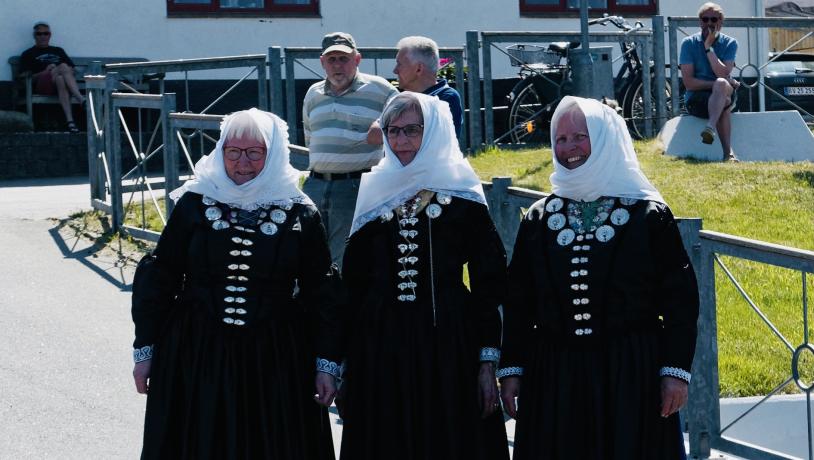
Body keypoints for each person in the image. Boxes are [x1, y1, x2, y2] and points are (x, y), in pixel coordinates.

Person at [131, 108, 343, 459]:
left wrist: (327, 363)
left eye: (254, 152)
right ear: (221, 152)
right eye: (233, 151)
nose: (242, 162)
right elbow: (161, 276)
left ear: (272, 153)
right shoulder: (194, 204)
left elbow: (322, 292)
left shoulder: (299, 213)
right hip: (196, 353)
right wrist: (145, 351)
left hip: (276, 358)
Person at [498, 96, 699, 460]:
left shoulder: (647, 215)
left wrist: (675, 372)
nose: (569, 148)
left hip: (631, 374)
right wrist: (511, 370)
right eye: (561, 139)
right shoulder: (539, 219)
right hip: (556, 375)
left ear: (606, 137)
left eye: (580, 136)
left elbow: (680, 299)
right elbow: (519, 301)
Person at [339, 92, 509, 460]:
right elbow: (351, 284)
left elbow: (488, 283)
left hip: (449, 349)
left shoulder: (461, 193)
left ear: (433, 132)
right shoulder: (374, 191)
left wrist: (487, 361)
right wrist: (340, 361)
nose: (400, 141)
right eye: (393, 130)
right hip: (380, 350)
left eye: (412, 130)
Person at [302, 32, 398, 266]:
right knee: (309, 252)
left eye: (343, 59)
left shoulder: (380, 90)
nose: (337, 65)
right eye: (331, 59)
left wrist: (383, 129)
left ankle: (342, 302)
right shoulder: (313, 93)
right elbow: (309, 139)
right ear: (322, 62)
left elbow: (404, 126)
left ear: (357, 59)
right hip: (315, 184)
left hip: (355, 186)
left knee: (344, 257)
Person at [679, 2, 740, 162]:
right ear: (700, 22)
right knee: (723, 98)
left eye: (714, 19)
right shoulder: (688, 44)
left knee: (721, 85)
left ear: (721, 21)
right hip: (697, 99)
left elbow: (722, 73)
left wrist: (708, 47)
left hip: (723, 90)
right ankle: (728, 155)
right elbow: (689, 83)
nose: (709, 24)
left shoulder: (730, 43)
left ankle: (710, 127)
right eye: (705, 19)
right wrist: (717, 85)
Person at [19, 21, 85, 133]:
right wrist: (45, 71)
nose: (43, 36)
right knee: (62, 66)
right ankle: (80, 98)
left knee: (61, 77)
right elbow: (23, 77)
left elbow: (72, 70)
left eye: (46, 33)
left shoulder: (58, 50)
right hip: (43, 84)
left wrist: (57, 70)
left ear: (50, 35)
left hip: (60, 83)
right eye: (39, 34)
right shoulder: (28, 54)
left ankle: (70, 122)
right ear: (34, 36)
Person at [394, 36, 464, 138]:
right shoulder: (402, 98)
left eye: (399, 64)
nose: (395, 70)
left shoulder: (445, 98)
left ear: (418, 69)